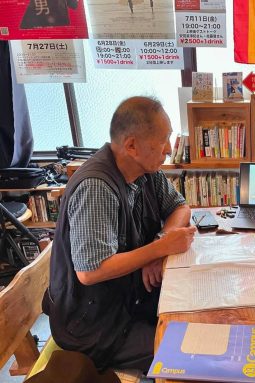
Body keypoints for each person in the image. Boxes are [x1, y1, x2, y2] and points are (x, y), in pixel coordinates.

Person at [42, 96, 196, 372]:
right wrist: (158, 251)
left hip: (130, 299)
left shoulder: (146, 171)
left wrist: (159, 243)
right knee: (189, 356)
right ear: (132, 145)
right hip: (93, 324)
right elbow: (91, 271)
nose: (169, 150)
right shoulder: (96, 187)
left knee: (198, 312)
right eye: (163, 141)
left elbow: (180, 207)